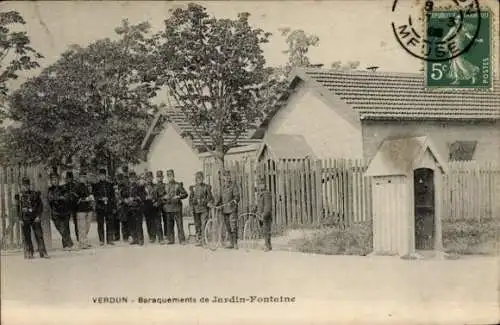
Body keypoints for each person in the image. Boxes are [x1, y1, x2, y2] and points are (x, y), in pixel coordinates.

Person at [15, 177, 49, 259]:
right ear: (22, 186)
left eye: (27, 185)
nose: (26, 187)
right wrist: (20, 219)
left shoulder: (35, 194)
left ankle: (43, 252)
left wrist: (38, 216)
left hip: (34, 218)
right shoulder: (19, 196)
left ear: (29, 185)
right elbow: (17, 209)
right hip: (25, 219)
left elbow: (40, 206)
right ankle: (30, 252)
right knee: (27, 237)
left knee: (39, 235)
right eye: (24, 185)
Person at [47, 172, 73, 250]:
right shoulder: (50, 190)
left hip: (65, 211)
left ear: (58, 180)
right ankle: (70, 243)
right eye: (53, 180)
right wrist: (60, 198)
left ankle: (66, 245)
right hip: (56, 213)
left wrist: (58, 198)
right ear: (51, 181)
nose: (54, 181)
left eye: (55, 180)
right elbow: (50, 199)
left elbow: (67, 198)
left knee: (66, 228)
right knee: (60, 228)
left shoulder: (63, 188)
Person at [162, 169, 188, 245]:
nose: (170, 177)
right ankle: (171, 240)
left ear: (173, 175)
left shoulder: (178, 185)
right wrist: (164, 197)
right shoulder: (165, 186)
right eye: (168, 176)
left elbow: (185, 194)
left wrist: (179, 196)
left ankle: (182, 240)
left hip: (177, 208)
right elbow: (161, 196)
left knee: (179, 224)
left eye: (171, 175)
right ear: (167, 177)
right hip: (168, 208)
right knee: (169, 225)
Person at [189, 171, 214, 246]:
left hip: (204, 209)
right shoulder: (193, 188)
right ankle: (199, 239)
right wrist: (192, 206)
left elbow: (210, 197)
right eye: (198, 178)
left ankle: (204, 240)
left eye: (201, 177)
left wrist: (204, 201)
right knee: (197, 224)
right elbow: (190, 199)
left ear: (203, 178)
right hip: (196, 209)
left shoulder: (206, 187)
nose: (199, 179)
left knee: (203, 224)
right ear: (196, 179)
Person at [216, 170, 240, 249]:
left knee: (233, 226)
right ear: (223, 178)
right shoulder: (222, 187)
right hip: (225, 210)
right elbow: (219, 198)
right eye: (226, 177)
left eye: (228, 176)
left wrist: (233, 202)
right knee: (228, 226)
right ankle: (231, 243)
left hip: (232, 209)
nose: (227, 178)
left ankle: (235, 243)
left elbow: (237, 197)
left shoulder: (234, 186)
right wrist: (216, 205)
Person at [92, 169, 116, 246]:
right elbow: (94, 196)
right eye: (101, 175)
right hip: (100, 207)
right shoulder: (95, 185)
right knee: (100, 224)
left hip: (109, 206)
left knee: (110, 223)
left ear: (105, 176)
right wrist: (101, 198)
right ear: (99, 176)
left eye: (103, 175)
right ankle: (101, 240)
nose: (102, 176)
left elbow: (113, 196)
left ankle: (110, 239)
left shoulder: (110, 185)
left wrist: (113, 205)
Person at [123, 171, 146, 246]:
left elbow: (143, 196)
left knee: (138, 225)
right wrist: (125, 200)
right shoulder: (126, 187)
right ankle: (134, 239)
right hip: (129, 208)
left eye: (133, 178)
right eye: (131, 178)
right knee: (131, 225)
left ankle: (140, 240)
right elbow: (123, 196)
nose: (132, 179)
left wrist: (134, 198)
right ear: (129, 179)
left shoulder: (139, 187)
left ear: (136, 179)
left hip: (137, 208)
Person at [73, 171, 94, 249]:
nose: (83, 178)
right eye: (82, 177)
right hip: (80, 209)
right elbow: (75, 199)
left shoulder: (87, 186)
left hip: (88, 209)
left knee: (87, 227)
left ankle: (83, 241)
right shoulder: (76, 187)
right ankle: (83, 243)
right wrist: (85, 199)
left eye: (84, 177)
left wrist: (91, 199)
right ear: (79, 178)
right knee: (82, 227)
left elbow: (90, 196)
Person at [143, 171, 164, 244]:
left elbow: (161, 196)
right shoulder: (143, 187)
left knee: (158, 223)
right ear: (145, 178)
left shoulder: (156, 186)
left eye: (150, 177)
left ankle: (161, 238)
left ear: (152, 178)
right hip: (147, 207)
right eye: (147, 177)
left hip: (156, 207)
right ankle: (152, 237)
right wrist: (145, 197)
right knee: (149, 223)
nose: (149, 179)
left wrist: (158, 203)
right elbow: (140, 196)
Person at [255, 176, 273, 251]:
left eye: (262, 184)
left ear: (265, 185)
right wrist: (255, 210)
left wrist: (264, 215)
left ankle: (267, 246)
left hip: (266, 215)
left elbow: (267, 206)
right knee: (264, 230)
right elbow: (258, 205)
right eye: (259, 184)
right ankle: (268, 245)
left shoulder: (266, 194)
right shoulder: (260, 194)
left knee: (266, 230)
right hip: (260, 215)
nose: (261, 186)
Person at [64, 171, 79, 242]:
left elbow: (78, 195)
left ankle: (78, 238)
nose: (69, 179)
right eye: (68, 178)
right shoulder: (64, 187)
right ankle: (68, 240)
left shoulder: (75, 186)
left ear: (72, 178)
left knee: (76, 223)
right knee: (66, 223)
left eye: (70, 178)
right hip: (66, 206)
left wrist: (74, 195)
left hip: (75, 206)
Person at [115, 172, 130, 242]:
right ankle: (117, 236)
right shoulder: (115, 187)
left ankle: (125, 236)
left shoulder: (126, 187)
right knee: (116, 222)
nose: (119, 181)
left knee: (125, 222)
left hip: (124, 206)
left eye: (121, 179)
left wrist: (122, 200)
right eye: (118, 179)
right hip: (117, 206)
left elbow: (127, 196)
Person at [155, 170, 168, 237]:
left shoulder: (166, 185)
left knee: (166, 220)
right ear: (156, 178)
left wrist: (163, 198)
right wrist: (161, 198)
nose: (159, 178)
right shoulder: (155, 186)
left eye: (161, 177)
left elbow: (167, 195)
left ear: (163, 177)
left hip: (165, 205)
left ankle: (166, 235)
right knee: (158, 221)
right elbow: (154, 197)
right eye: (158, 177)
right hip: (158, 205)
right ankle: (160, 237)